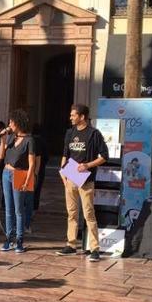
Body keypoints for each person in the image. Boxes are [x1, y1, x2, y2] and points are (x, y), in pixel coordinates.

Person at [57, 104, 109, 262]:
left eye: (73, 115)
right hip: (70, 176)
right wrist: (62, 171)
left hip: (86, 178)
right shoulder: (70, 132)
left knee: (88, 213)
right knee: (71, 213)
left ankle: (95, 248)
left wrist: (88, 165)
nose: (71, 117)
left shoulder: (94, 134)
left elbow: (104, 156)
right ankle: (71, 244)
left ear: (82, 116)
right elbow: (66, 154)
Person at [0, 109, 36, 253]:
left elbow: (32, 163)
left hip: (20, 174)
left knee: (19, 209)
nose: (9, 124)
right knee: (8, 208)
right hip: (6, 173)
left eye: (11, 122)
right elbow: (1, 156)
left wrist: (27, 180)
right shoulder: (10, 138)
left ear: (18, 123)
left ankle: (19, 240)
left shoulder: (29, 140)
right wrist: (2, 139)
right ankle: (8, 238)